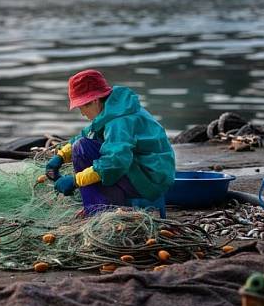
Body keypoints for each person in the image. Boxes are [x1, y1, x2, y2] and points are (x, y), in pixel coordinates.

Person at [46, 69, 175, 214]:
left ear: (94, 100)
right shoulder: (116, 108)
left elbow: (115, 163)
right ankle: (100, 204)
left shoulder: (119, 122)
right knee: (82, 143)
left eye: (82, 107)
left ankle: (98, 211)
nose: (82, 113)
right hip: (147, 171)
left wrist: (76, 180)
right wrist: (61, 156)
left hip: (148, 181)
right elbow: (90, 133)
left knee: (81, 148)